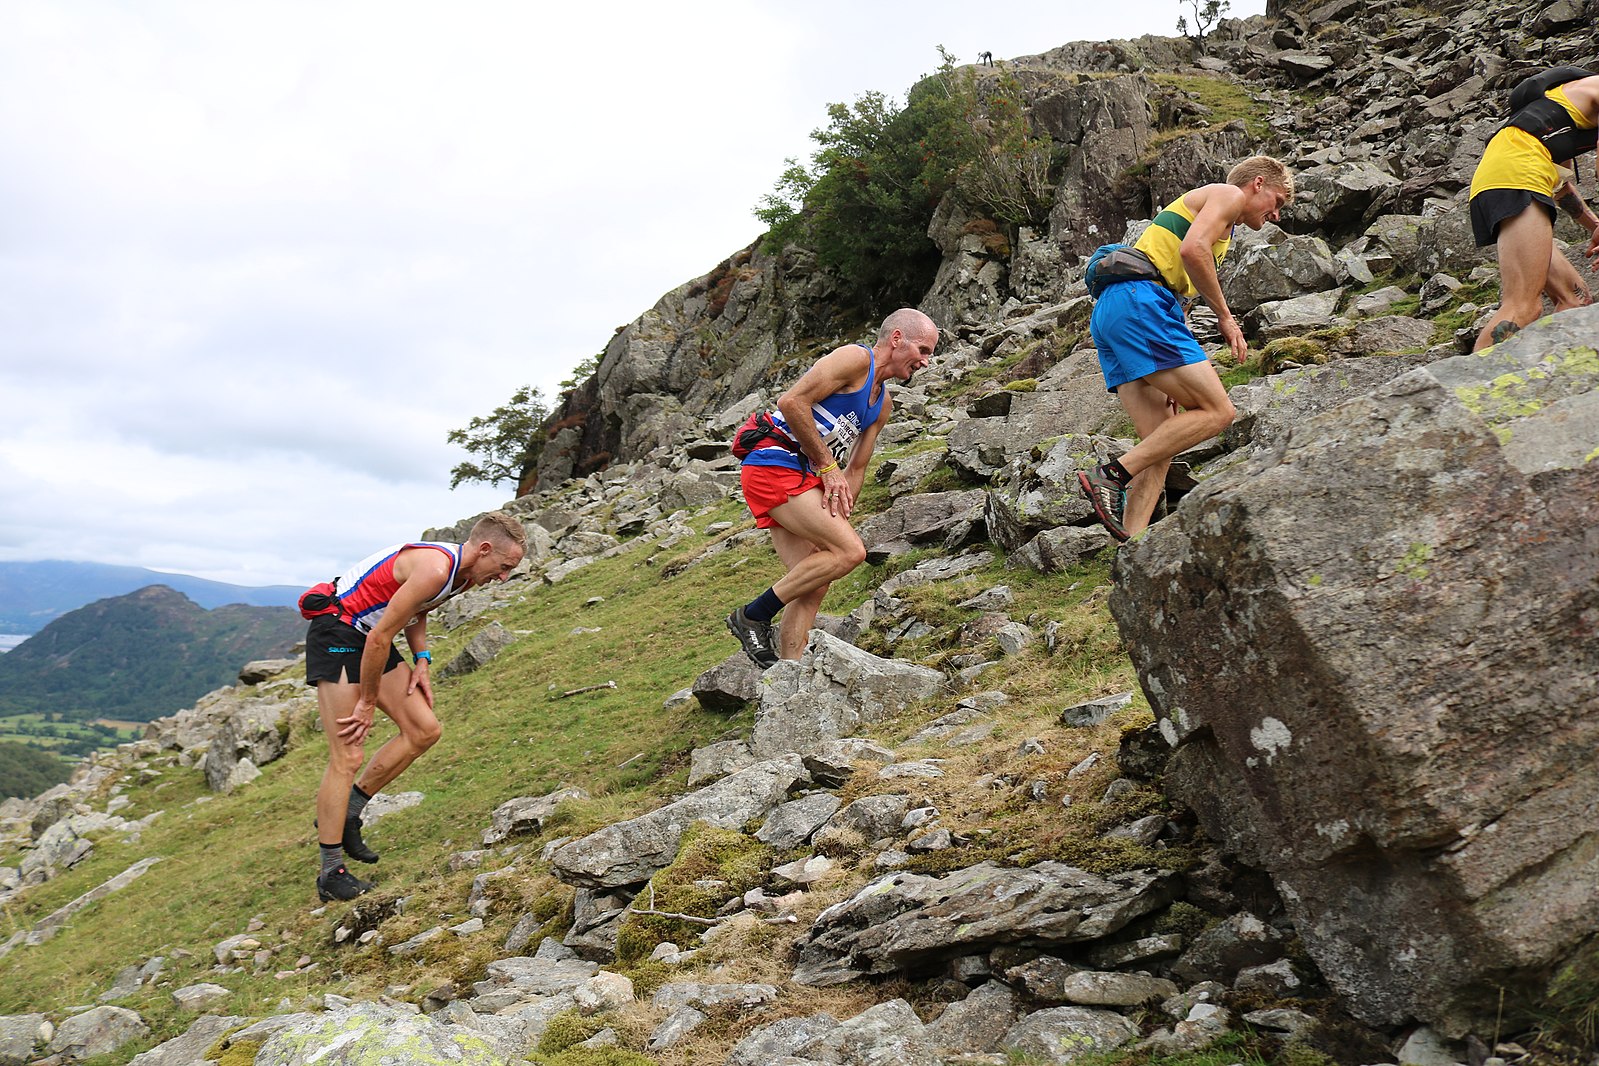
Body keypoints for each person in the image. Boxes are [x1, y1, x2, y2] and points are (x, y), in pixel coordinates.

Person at [306, 511, 527, 901]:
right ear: (485, 549)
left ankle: (349, 813)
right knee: (348, 754)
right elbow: (379, 637)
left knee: (424, 730)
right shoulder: (436, 567)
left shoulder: (463, 574)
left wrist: (422, 658)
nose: (504, 576)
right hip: (339, 632)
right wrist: (367, 703)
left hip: (370, 635)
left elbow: (415, 611)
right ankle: (331, 872)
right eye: (505, 567)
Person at [1076, 156, 1294, 542]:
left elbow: (1179, 283)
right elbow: (1193, 251)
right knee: (1219, 411)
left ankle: (1131, 550)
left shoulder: (1219, 221)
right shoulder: (1228, 195)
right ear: (1258, 184)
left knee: (1160, 445)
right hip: (1141, 301)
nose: (1276, 214)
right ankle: (1111, 475)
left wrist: (1179, 376)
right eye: (1276, 202)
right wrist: (1226, 317)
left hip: (1116, 310)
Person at [725, 308, 940, 667]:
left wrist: (840, 509)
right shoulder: (855, 359)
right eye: (924, 350)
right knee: (850, 551)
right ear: (898, 338)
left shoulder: (882, 403)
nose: (926, 362)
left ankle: (788, 676)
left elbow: (856, 466)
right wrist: (827, 467)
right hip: (772, 463)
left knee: (814, 579)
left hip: (803, 477)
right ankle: (752, 615)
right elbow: (792, 402)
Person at [1469, 68, 1599, 351]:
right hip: (1518, 177)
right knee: (1523, 306)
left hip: (1501, 178)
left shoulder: (1556, 117)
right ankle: (1467, 388)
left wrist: (1594, 226)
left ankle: (1547, 377)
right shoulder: (1595, 86)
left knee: (1575, 300)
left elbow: (1560, 186)